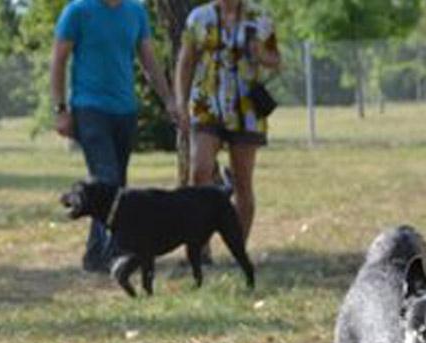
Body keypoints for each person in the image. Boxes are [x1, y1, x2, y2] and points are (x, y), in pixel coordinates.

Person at [51, 0, 181, 273]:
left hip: (125, 110)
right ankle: (113, 254)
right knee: (106, 178)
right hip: (89, 108)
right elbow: (59, 59)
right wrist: (60, 109)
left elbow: (148, 60)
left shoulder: (135, 12)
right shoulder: (78, 11)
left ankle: (96, 254)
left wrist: (169, 99)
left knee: (116, 186)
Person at [175, 0, 280, 244]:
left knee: (242, 180)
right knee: (200, 172)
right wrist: (180, 102)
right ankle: (198, 247)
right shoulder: (199, 17)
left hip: (246, 108)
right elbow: (186, 61)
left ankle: (238, 247)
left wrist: (261, 54)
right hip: (206, 104)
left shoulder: (260, 16)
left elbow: (276, 60)